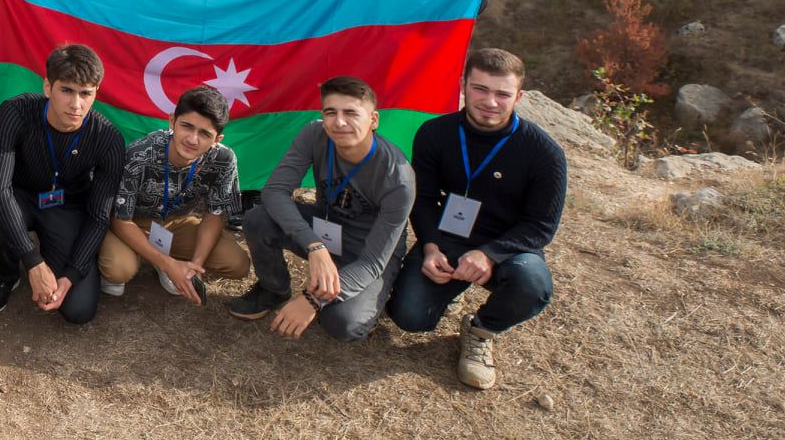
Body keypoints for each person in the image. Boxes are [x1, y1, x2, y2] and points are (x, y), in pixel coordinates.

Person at [387, 48, 565, 389]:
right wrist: (430, 246)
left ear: (519, 96)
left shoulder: (545, 153)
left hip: (508, 245)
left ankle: (481, 329)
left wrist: (489, 255)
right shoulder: (434, 133)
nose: (490, 102)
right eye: (480, 89)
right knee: (409, 317)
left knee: (532, 286)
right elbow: (423, 199)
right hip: (448, 236)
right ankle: (451, 287)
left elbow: (541, 226)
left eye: (503, 94)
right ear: (463, 86)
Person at [231, 77, 414, 341]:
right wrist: (314, 245)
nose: (339, 122)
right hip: (326, 230)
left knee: (343, 324)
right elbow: (274, 191)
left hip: (366, 251)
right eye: (330, 112)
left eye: (351, 113)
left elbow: (373, 261)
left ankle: (372, 298)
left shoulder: (398, 178)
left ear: (373, 119)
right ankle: (273, 289)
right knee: (259, 218)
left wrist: (312, 299)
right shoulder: (314, 134)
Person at [0, 44, 124, 325]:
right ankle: (7, 273)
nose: (76, 104)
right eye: (67, 90)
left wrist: (70, 275)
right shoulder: (16, 110)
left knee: (79, 310)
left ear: (96, 92)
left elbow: (98, 217)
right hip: (19, 197)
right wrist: (33, 261)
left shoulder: (109, 139)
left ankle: (55, 262)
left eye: (86, 93)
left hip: (66, 206)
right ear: (48, 87)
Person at [98, 86, 250, 302]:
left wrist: (196, 265)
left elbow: (215, 214)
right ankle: (158, 259)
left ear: (217, 139)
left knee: (237, 263)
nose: (192, 139)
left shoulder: (224, 159)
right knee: (118, 270)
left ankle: (172, 260)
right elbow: (120, 219)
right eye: (187, 126)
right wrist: (168, 264)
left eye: (205, 134)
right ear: (172, 121)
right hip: (132, 222)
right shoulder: (141, 153)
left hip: (177, 222)